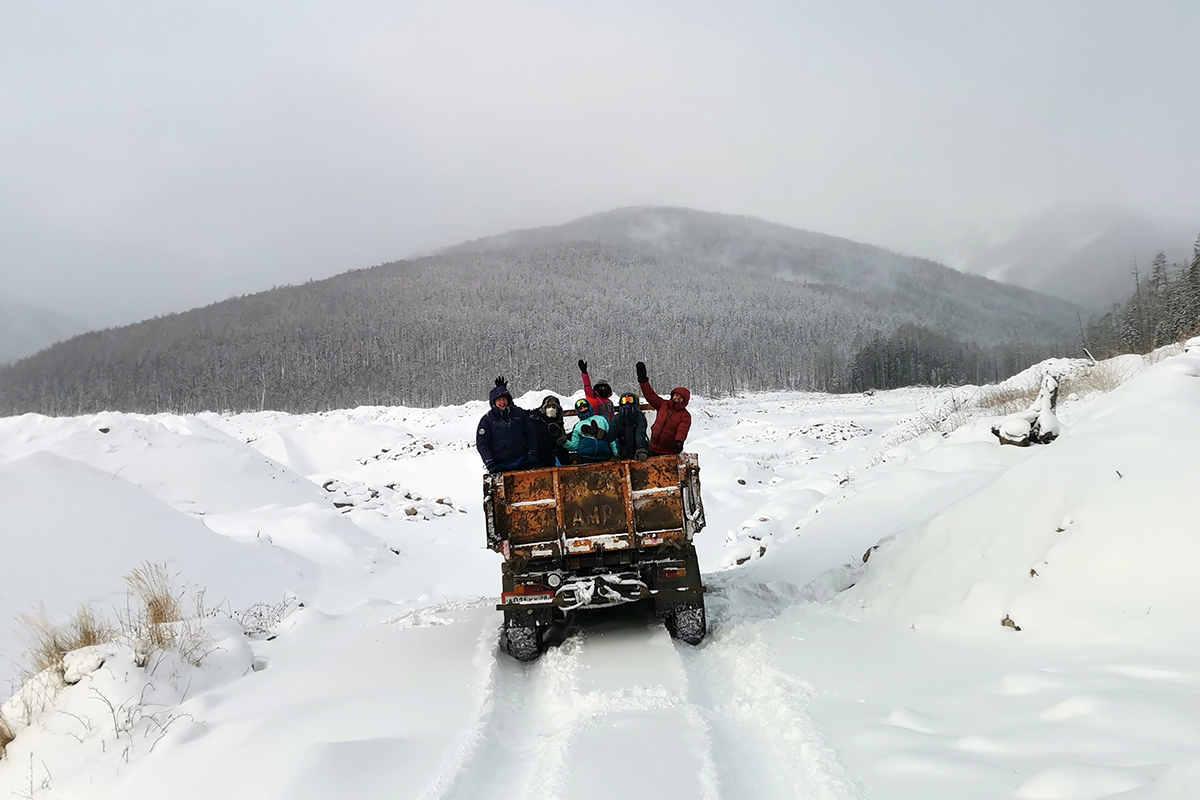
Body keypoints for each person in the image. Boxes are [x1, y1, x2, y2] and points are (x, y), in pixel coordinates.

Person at [476, 376, 537, 473]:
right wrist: (489, 462)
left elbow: (531, 433)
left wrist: (532, 451)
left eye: (504, 399)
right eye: (498, 400)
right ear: (493, 402)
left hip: (522, 462)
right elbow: (482, 444)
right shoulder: (487, 420)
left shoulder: (518, 415)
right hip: (499, 466)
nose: (502, 402)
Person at [636, 361, 692, 456]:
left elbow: (682, 431)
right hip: (652, 448)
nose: (677, 398)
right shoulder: (663, 405)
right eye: (676, 395)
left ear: (684, 401)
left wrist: (679, 441)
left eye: (680, 397)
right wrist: (643, 381)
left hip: (668, 452)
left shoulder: (685, 416)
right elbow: (650, 395)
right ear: (673, 395)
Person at [562, 397, 617, 463]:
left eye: (585, 407)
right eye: (581, 409)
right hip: (585, 456)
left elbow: (611, 438)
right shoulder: (578, 426)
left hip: (603, 454)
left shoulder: (602, 419)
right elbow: (574, 446)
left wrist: (616, 453)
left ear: (589, 406)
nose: (583, 409)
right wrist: (564, 442)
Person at [527, 395, 571, 467]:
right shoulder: (535, 417)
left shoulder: (558, 421)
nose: (551, 409)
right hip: (539, 454)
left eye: (554, 407)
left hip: (554, 455)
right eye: (548, 407)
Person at [608, 392, 650, 461]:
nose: (627, 403)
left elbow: (640, 434)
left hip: (637, 451)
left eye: (630, 400)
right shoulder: (617, 418)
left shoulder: (639, 416)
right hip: (622, 453)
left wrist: (641, 449)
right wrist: (601, 435)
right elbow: (612, 433)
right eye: (624, 401)